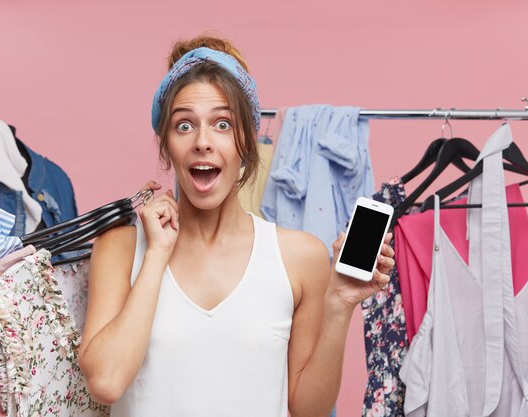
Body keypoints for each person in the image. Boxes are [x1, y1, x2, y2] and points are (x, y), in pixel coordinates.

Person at [78, 35, 394, 417]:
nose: (202, 142)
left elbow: (307, 410)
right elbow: (106, 382)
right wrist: (157, 253)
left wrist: (340, 304)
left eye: (222, 124)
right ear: (165, 145)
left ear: (246, 139)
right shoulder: (119, 248)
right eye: (183, 126)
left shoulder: (299, 256)